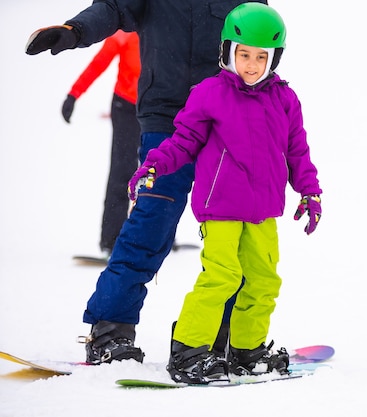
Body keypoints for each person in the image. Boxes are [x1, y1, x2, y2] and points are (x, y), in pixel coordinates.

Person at [25, 0, 267, 364]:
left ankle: (222, 334)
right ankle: (110, 330)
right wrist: (76, 31)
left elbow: (262, 44)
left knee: (234, 231)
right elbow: (112, 8)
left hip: (226, 120)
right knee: (151, 221)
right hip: (166, 119)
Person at [127, 2, 323, 384]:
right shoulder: (209, 93)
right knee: (222, 277)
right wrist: (153, 165)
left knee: (263, 281)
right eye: (244, 54)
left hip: (264, 210)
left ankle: (247, 352)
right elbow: (182, 142)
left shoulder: (284, 99)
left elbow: (297, 151)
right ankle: (188, 351)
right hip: (221, 207)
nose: (251, 64)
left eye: (261, 57)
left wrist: (309, 191)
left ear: (274, 59)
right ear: (227, 52)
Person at [62, 30, 141, 258]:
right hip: (125, 107)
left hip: (156, 106)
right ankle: (111, 240)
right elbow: (99, 63)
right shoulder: (125, 33)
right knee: (123, 171)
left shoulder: (166, 27)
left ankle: (159, 234)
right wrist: (73, 95)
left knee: (161, 170)